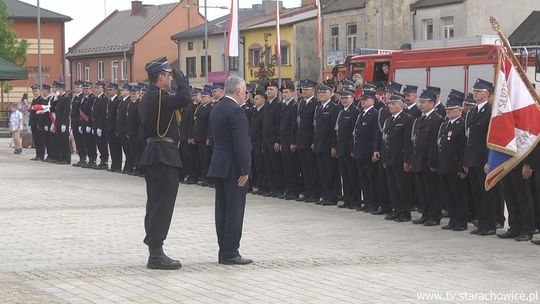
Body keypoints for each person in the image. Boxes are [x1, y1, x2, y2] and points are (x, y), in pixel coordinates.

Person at [138, 57, 191, 270]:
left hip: (155, 154)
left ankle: (155, 250)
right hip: (162, 155)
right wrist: (181, 76)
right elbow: (186, 97)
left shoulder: (150, 97)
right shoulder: (159, 97)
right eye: (168, 76)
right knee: (162, 206)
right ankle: (156, 254)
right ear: (160, 77)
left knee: (155, 204)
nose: (171, 79)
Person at [208, 75, 253, 265]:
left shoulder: (217, 107)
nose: (246, 95)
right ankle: (231, 252)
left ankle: (223, 250)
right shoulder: (235, 111)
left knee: (222, 210)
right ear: (238, 91)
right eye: (244, 91)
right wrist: (245, 169)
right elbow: (241, 143)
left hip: (219, 164)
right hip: (234, 167)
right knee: (234, 210)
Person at [464, 79, 501, 236]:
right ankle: (481, 222)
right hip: (472, 159)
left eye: (479, 91)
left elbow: (492, 138)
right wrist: (466, 160)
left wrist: (489, 160)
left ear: (487, 94)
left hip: (484, 160)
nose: (475, 93)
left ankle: (490, 224)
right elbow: (469, 138)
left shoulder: (491, 111)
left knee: (487, 194)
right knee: (477, 193)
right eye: (475, 91)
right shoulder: (472, 112)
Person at [410, 89, 444, 226]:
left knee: (432, 190)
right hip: (418, 160)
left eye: (423, 102)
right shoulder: (419, 120)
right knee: (422, 190)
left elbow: (435, 144)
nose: (421, 105)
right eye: (420, 102)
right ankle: (425, 213)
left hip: (428, 162)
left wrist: (433, 162)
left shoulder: (437, 120)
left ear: (432, 103)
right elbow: (415, 141)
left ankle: (434, 215)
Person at [436, 91, 468, 231]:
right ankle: (453, 220)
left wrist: (462, 167)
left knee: (458, 195)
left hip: (455, 166)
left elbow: (463, 148)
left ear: (459, 110)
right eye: (447, 109)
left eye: (451, 109)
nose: (448, 112)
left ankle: (461, 221)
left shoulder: (462, 125)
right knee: (448, 195)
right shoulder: (445, 125)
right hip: (444, 165)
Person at [382, 93, 413, 222]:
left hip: (400, 159)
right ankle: (396, 210)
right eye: (390, 103)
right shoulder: (389, 119)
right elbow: (385, 140)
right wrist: (384, 157)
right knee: (392, 186)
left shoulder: (407, 119)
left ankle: (405, 213)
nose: (391, 106)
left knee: (402, 187)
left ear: (401, 105)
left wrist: (407, 160)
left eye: (394, 103)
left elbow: (408, 142)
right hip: (389, 158)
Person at [352, 90, 379, 212]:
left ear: (372, 101)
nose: (362, 101)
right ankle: (367, 201)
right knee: (363, 178)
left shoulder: (374, 114)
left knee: (371, 179)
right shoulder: (361, 114)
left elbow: (375, 134)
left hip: (368, 152)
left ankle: (373, 203)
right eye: (362, 99)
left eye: (365, 99)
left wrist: (375, 150)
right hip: (360, 151)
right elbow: (356, 134)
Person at [313, 84, 340, 205]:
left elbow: (335, 129)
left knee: (331, 172)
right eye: (320, 93)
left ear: (331, 93)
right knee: (322, 172)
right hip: (319, 144)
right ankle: (325, 194)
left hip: (328, 145)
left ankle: (332, 196)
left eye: (324, 93)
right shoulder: (319, 107)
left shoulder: (334, 108)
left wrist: (334, 145)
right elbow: (316, 127)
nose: (322, 95)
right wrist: (314, 142)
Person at [295, 79, 320, 203]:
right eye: (303, 89)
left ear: (313, 91)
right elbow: (299, 124)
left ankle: (314, 193)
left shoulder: (315, 103)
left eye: (306, 89)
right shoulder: (301, 103)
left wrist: (313, 141)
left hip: (310, 141)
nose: (303, 91)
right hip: (301, 141)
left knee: (312, 169)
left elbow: (314, 125)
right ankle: (307, 191)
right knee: (304, 169)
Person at [335, 90, 359, 209]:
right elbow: (338, 131)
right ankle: (347, 199)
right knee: (345, 175)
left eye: (346, 98)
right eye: (342, 98)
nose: (344, 100)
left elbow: (354, 133)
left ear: (352, 99)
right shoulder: (342, 112)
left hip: (349, 148)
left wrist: (352, 149)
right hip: (341, 148)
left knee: (352, 175)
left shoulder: (355, 112)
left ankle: (355, 200)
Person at [279, 80, 300, 200]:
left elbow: (294, 126)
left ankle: (294, 190)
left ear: (292, 92)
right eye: (283, 92)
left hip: (290, 140)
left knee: (292, 167)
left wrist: (293, 142)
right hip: (284, 140)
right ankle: (288, 188)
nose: (284, 94)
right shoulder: (283, 105)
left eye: (287, 92)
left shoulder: (294, 105)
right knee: (286, 166)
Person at [106, 83, 123, 172]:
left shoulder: (118, 101)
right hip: (109, 128)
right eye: (108, 90)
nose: (109, 91)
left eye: (110, 90)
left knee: (117, 147)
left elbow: (117, 117)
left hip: (115, 128)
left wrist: (117, 129)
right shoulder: (109, 101)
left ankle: (118, 165)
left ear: (115, 90)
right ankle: (114, 164)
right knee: (112, 147)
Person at [29, 85, 45, 161]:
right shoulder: (34, 100)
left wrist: (40, 123)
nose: (34, 92)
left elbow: (40, 113)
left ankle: (41, 155)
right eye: (33, 91)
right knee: (35, 139)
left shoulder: (41, 99)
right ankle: (37, 154)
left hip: (38, 122)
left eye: (36, 91)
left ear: (39, 91)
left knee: (40, 139)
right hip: (33, 122)